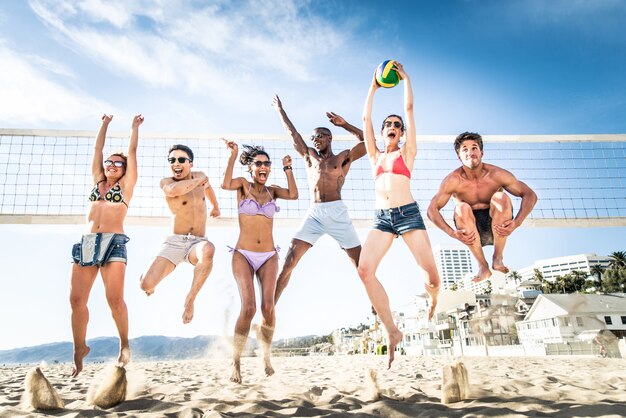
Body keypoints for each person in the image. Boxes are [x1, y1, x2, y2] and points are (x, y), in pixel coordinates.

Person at [360, 62, 440, 368]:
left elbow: (408, 108)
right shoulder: (374, 156)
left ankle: (434, 298)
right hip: (382, 218)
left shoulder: (407, 153)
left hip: (408, 215)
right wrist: (373, 86)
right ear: (382, 132)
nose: (392, 126)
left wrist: (406, 78)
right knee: (364, 271)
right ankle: (392, 331)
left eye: (397, 125)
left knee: (431, 278)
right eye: (388, 124)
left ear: (402, 132)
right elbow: (365, 118)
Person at [271, 95, 366, 303]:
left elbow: (368, 142)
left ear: (329, 138)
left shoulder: (342, 157)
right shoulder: (309, 156)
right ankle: (269, 309)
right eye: (313, 137)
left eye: (320, 136)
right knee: (289, 260)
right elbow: (292, 133)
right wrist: (281, 111)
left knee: (362, 266)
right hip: (314, 213)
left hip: (337, 212)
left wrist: (345, 125)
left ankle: (376, 306)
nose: (315, 139)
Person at [69, 113, 143, 377]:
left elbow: (132, 151)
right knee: (76, 300)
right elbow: (97, 149)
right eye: (110, 162)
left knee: (115, 300)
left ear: (124, 169)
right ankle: (80, 349)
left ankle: (124, 344)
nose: (112, 165)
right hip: (88, 242)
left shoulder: (126, 186)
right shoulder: (97, 181)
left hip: (113, 241)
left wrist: (133, 128)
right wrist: (104, 124)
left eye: (117, 163)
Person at [221, 140, 298, 383]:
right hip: (243, 254)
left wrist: (288, 168)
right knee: (249, 308)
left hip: (268, 256)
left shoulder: (272, 191)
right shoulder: (243, 186)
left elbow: (294, 195)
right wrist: (233, 155)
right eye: (259, 163)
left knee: (268, 307)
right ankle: (236, 362)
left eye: (267, 163)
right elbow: (225, 184)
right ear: (252, 168)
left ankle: (265, 354)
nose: (263, 166)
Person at [427, 132, 537, 282]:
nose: (470, 152)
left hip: (497, 225)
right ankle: (482, 266)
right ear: (459, 156)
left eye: (474, 148)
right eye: (464, 149)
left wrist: (517, 222)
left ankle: (497, 258)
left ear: (481, 152)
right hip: (470, 230)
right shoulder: (453, 180)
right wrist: (451, 233)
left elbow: (530, 195)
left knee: (501, 198)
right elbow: (431, 210)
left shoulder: (497, 174)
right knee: (461, 208)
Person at [139, 144, 220, 324]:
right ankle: (150, 283)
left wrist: (216, 206)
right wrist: (200, 180)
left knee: (208, 250)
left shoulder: (200, 177)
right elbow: (175, 191)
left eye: (181, 160)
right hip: (174, 242)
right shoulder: (166, 182)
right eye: (172, 160)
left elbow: (208, 188)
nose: (176, 163)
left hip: (197, 243)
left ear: (190, 163)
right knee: (146, 284)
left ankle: (190, 300)